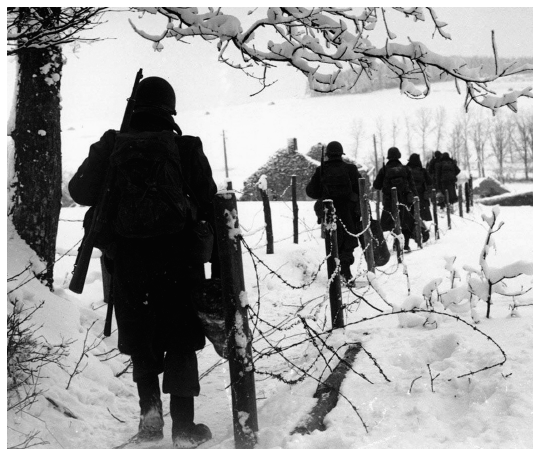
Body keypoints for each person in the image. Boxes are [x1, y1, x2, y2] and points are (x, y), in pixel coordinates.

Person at [68, 76, 217, 449]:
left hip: (129, 261)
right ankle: (184, 428)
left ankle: (150, 420)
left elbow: (79, 191)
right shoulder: (185, 147)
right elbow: (210, 200)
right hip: (179, 260)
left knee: (140, 339)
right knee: (180, 338)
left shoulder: (113, 144)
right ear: (171, 108)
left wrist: (109, 150)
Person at [306, 141, 361, 286]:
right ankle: (346, 272)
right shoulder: (351, 169)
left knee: (332, 242)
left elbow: (311, 191)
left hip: (329, 211)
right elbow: (360, 189)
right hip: (348, 211)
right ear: (341, 153)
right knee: (348, 242)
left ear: (328, 154)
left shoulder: (321, 170)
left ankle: (334, 274)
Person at [373, 146, 418, 252]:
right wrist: (415, 196)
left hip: (389, 201)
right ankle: (404, 244)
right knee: (406, 221)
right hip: (405, 200)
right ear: (398, 156)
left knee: (388, 223)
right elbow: (412, 184)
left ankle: (392, 244)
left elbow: (377, 186)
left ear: (388, 157)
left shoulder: (384, 169)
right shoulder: (405, 169)